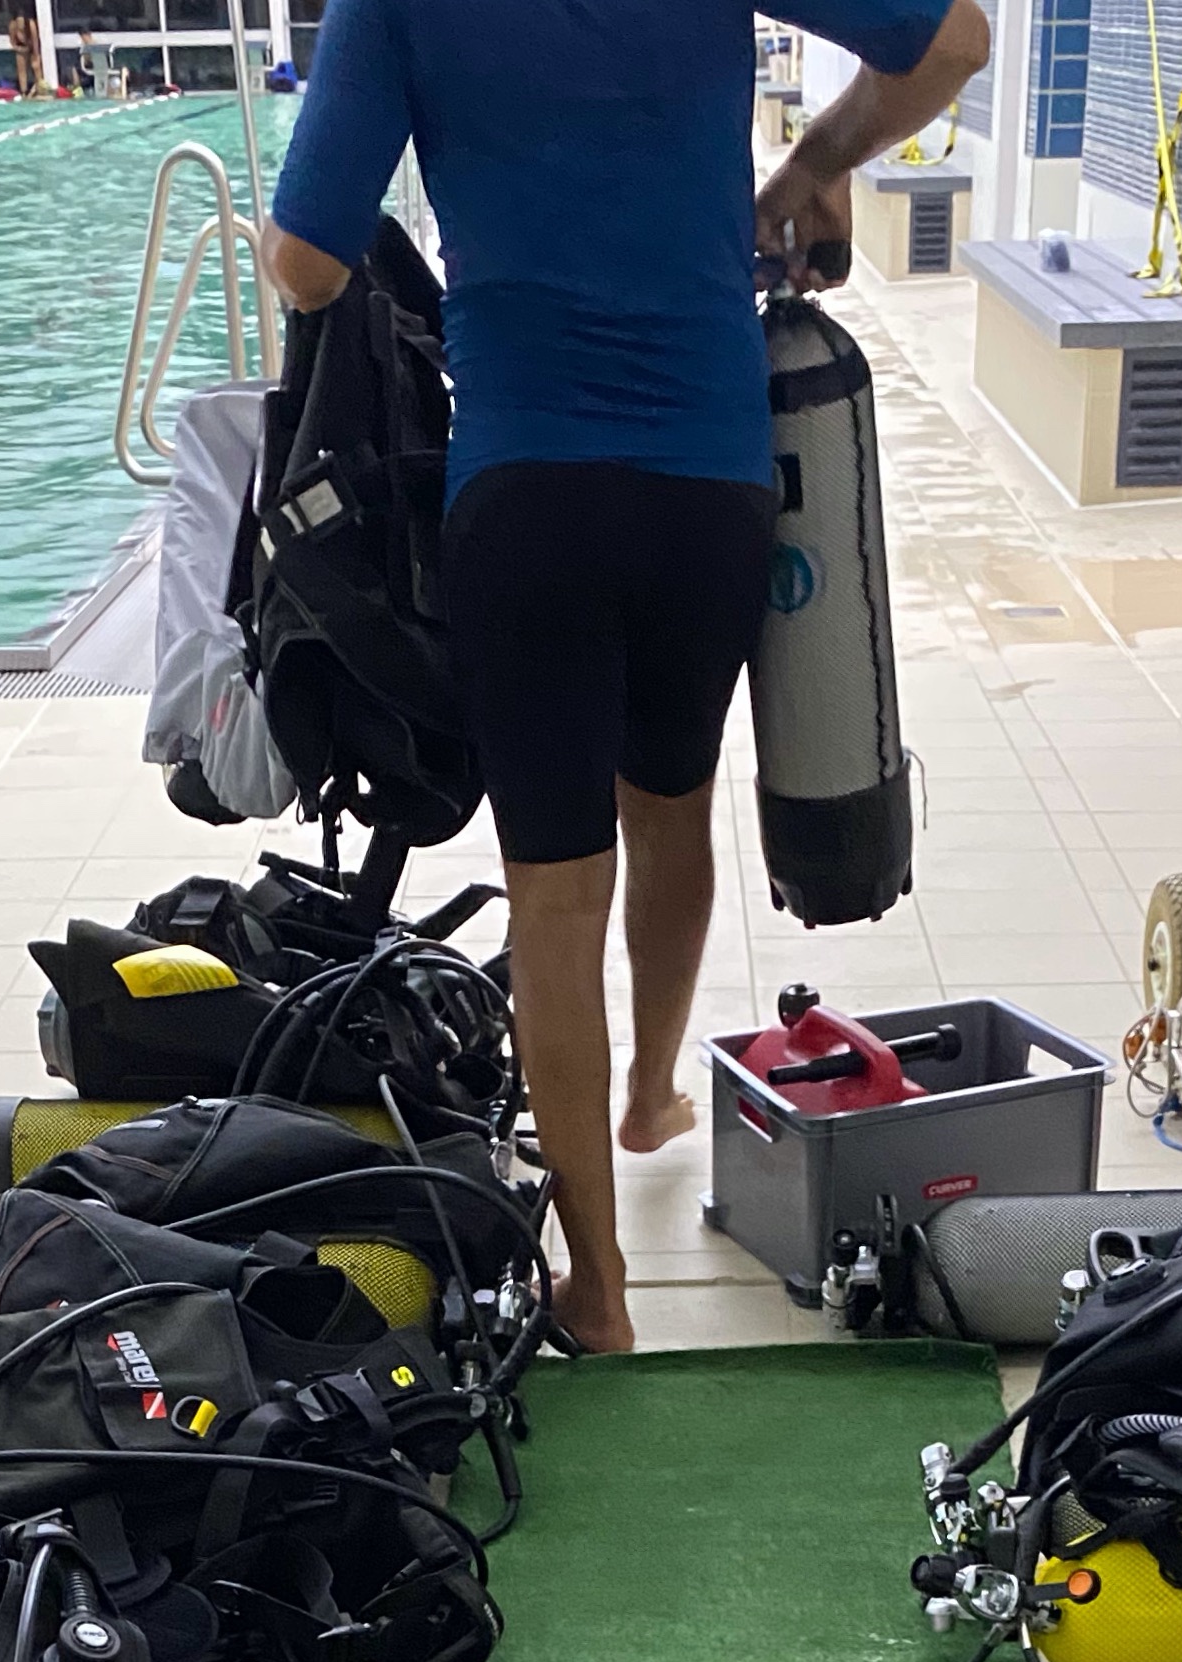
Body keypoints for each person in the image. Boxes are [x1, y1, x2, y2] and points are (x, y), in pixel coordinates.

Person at [262, 0, 987, 1355]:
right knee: (670, 798)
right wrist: (808, 165)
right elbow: (950, 41)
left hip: (525, 493)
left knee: (552, 886)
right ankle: (650, 1089)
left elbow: (304, 262)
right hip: (709, 485)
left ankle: (595, 1289)